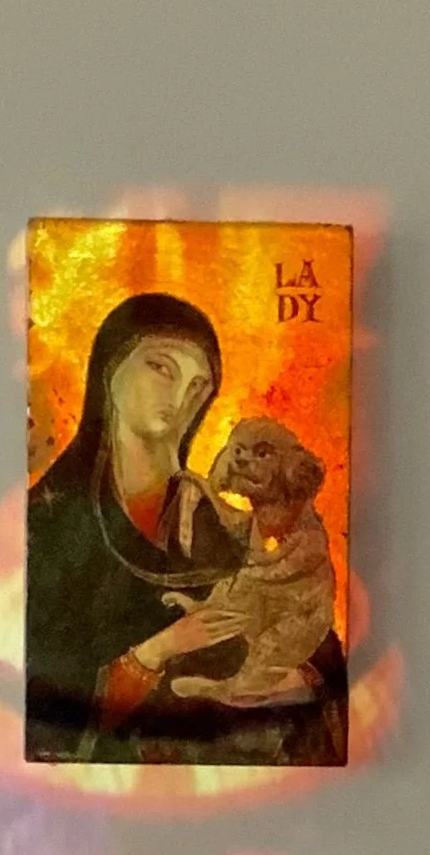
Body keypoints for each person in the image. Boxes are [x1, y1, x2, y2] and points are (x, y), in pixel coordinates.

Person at [25, 291, 347, 764]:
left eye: (198, 386)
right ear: (111, 366)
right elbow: (47, 710)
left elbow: (316, 645)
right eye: (161, 368)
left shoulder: (220, 523)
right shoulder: (51, 524)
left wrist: (289, 680)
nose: (179, 398)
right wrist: (161, 649)